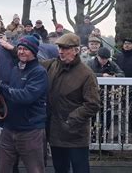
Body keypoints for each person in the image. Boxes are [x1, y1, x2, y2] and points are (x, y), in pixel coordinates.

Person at [41, 33, 100, 173]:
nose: (61, 51)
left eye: (65, 48)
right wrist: (14, 49)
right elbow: (30, 61)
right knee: (60, 169)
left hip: (75, 135)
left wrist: (70, 120)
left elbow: (93, 104)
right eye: (60, 47)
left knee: (80, 169)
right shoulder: (52, 65)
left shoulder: (86, 74)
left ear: (76, 50)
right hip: (55, 133)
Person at [0, 35, 48, 173]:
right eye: (20, 48)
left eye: (26, 49)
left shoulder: (39, 73)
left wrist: (1, 88)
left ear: (34, 52)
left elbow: (26, 96)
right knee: (2, 170)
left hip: (30, 131)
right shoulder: (15, 69)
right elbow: (9, 94)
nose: (21, 52)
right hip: (9, 128)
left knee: (35, 170)